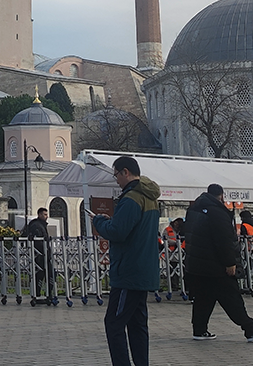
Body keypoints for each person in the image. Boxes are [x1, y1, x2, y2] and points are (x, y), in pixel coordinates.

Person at [92, 155, 161, 366]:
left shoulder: (131, 197)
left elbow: (118, 232)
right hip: (143, 268)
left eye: (116, 176)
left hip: (128, 270)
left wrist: (99, 223)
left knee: (114, 322)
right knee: (137, 323)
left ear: (125, 172)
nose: (117, 181)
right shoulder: (149, 197)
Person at [183, 184, 253, 343]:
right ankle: (250, 329)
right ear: (221, 196)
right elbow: (224, 240)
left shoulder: (193, 210)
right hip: (216, 264)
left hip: (196, 263)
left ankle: (199, 329)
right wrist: (230, 263)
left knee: (204, 297)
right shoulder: (218, 212)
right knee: (232, 297)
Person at [24, 207, 52, 300]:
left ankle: (45, 293)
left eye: (47, 214)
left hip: (43, 254)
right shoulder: (36, 225)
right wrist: (43, 252)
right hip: (40, 255)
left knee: (46, 274)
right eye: (44, 214)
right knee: (43, 274)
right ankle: (41, 293)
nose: (46, 216)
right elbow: (38, 241)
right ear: (39, 215)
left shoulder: (41, 225)